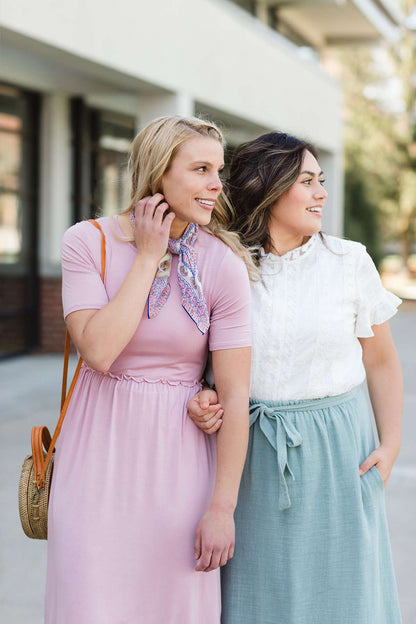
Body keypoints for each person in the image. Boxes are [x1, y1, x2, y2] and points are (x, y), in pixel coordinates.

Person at [45, 116, 253, 624]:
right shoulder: (86, 242)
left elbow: (235, 393)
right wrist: (147, 257)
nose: (214, 186)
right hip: (94, 461)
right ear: (158, 173)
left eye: (218, 171)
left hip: (180, 469)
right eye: (200, 169)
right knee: (87, 607)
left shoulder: (222, 262)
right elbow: (98, 350)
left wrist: (221, 509)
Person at [188, 132, 403, 623]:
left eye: (320, 180)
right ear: (269, 187)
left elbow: (383, 362)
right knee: (257, 593)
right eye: (307, 181)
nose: (322, 193)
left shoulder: (349, 262)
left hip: (340, 451)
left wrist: (389, 446)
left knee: (343, 595)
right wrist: (204, 397)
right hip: (250, 454)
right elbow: (204, 363)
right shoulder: (224, 265)